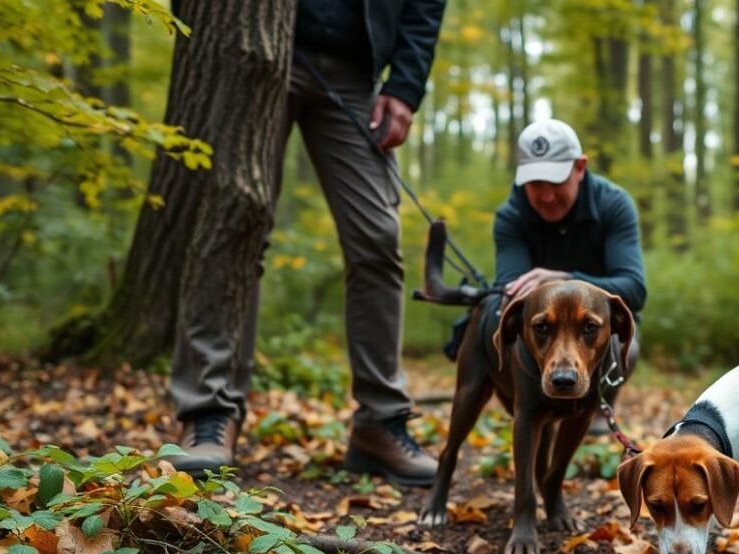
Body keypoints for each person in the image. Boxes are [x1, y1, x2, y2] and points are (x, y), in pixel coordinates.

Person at [169, 0, 447, 487]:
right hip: (255, 54)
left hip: (356, 75)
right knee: (235, 223)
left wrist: (404, 85)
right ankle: (208, 414)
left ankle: (379, 423)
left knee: (378, 239)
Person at [447, 119, 647, 417]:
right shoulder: (511, 216)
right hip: (541, 341)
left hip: (598, 335)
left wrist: (564, 278)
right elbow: (511, 292)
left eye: (555, 182)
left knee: (624, 349)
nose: (546, 196)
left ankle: (594, 405)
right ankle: (532, 410)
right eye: (535, 184)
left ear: (580, 168)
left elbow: (634, 288)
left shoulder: (614, 205)